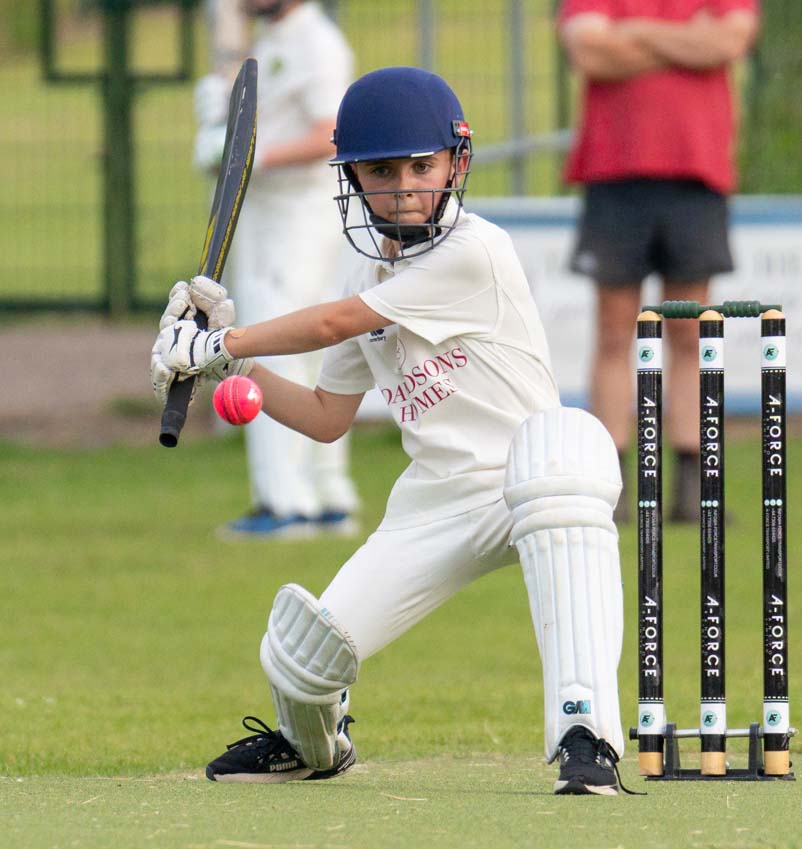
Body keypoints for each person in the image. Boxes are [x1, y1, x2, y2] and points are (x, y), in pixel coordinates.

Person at [152, 67, 630, 796]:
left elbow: (330, 324)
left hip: (526, 479)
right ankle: (312, 744)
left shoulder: (476, 251)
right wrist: (219, 362)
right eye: (382, 169)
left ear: (454, 164)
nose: (404, 186)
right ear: (351, 177)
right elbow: (324, 417)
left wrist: (225, 341)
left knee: (563, 452)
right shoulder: (367, 275)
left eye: (420, 166)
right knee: (299, 657)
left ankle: (584, 735)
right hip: (433, 504)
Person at [557, 0, 760, 522]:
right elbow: (590, 52)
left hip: (696, 175)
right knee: (613, 332)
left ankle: (694, 487)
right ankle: (612, 483)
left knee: (692, 334)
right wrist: (681, 41)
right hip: (614, 175)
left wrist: (635, 35)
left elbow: (728, 42)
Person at [190, 0, 359, 538]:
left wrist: (248, 155)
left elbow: (329, 134)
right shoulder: (273, 40)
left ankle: (285, 501)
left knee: (266, 343)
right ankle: (328, 495)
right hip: (267, 217)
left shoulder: (317, 43)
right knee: (303, 355)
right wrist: (219, 116)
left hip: (296, 219)